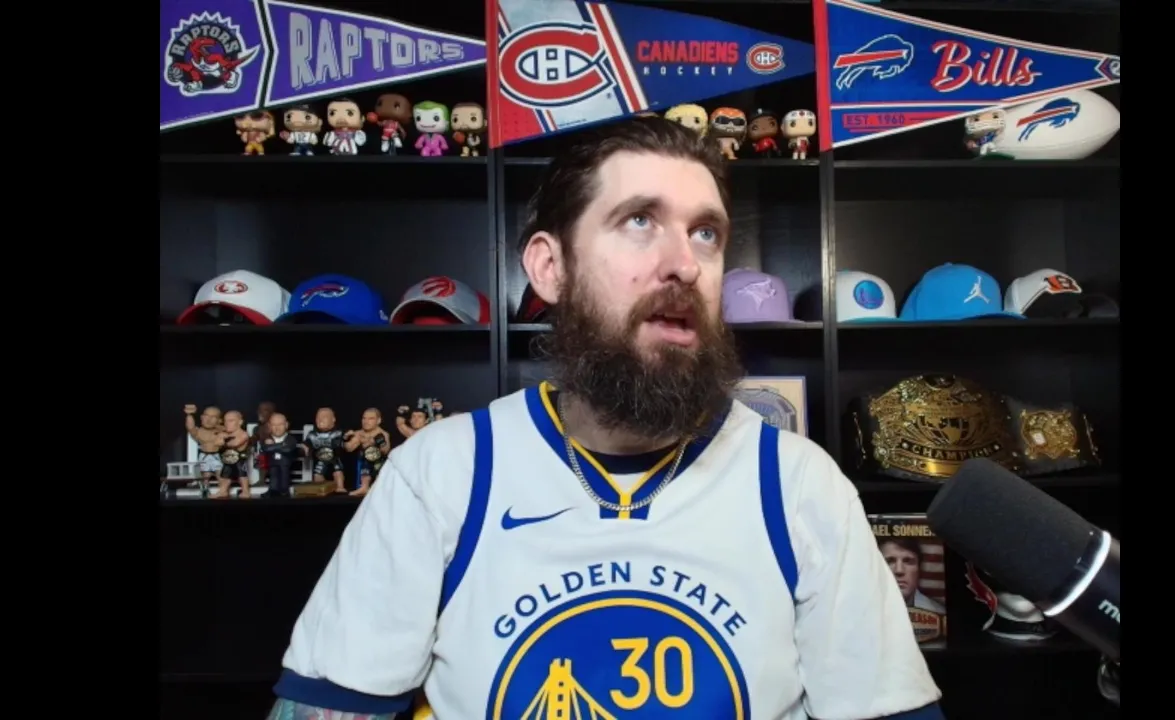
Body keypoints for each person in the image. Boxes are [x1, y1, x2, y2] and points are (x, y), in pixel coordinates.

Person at [267, 118, 943, 720]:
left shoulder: (800, 485)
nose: (684, 264)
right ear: (549, 267)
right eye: (639, 221)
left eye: (706, 233)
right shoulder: (438, 473)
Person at [879, 537, 947, 615]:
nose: (899, 570)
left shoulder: (939, 613)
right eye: (889, 561)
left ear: (919, 568)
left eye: (908, 561)